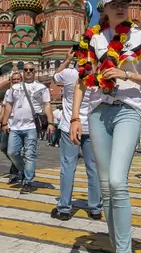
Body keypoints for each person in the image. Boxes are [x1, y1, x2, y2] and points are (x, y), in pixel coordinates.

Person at [71, 0, 141, 252]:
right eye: (115, 3)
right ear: (105, 10)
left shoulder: (140, 37)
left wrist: (127, 76)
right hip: (98, 111)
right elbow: (82, 80)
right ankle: (117, 243)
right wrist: (75, 117)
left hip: (128, 109)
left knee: (116, 181)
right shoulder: (93, 39)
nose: (121, 7)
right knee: (105, 186)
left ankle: (123, 250)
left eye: (125, 3)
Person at [51, 50, 102, 220]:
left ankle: (64, 207)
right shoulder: (99, 75)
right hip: (92, 127)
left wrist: (66, 60)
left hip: (70, 126)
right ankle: (95, 207)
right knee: (93, 168)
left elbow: (54, 77)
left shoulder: (70, 74)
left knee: (68, 166)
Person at [1, 63, 54, 194]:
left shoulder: (41, 87)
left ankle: (27, 181)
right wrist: (4, 122)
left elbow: (47, 105)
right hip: (15, 126)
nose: (28, 72)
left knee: (30, 154)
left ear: (35, 71)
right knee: (12, 152)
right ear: (23, 72)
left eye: (31, 70)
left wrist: (51, 122)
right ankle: (26, 171)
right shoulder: (15, 87)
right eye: (26, 70)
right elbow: (8, 105)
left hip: (31, 126)